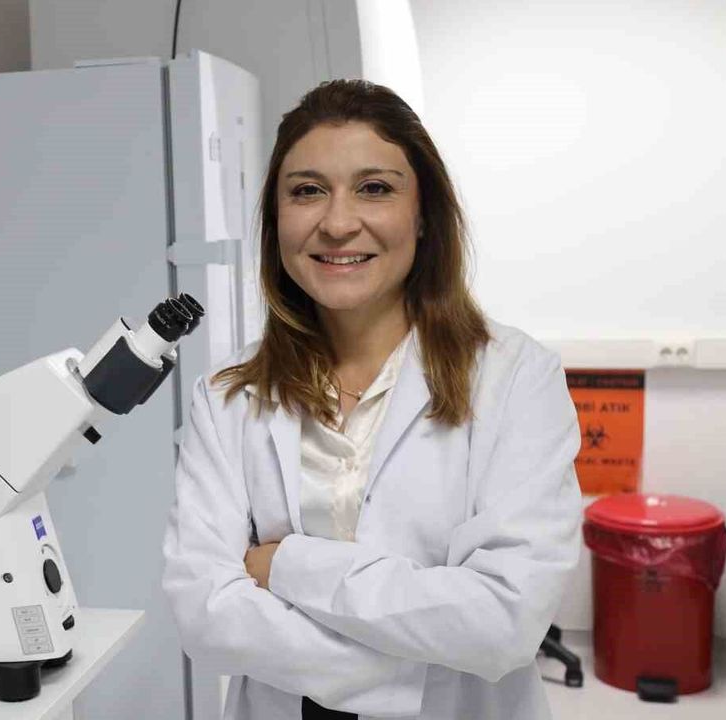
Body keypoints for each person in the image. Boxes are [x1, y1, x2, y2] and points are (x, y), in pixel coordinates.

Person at [161, 79, 582, 720]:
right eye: (307, 190)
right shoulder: (227, 395)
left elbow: (504, 621)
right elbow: (205, 615)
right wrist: (421, 657)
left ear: (423, 215)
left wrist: (288, 565)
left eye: (375, 188)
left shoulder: (516, 377)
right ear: (276, 221)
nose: (337, 223)